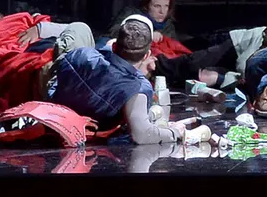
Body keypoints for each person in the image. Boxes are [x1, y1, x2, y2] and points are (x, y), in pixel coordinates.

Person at [43, 12, 201, 145]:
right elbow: (142, 134)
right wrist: (174, 132)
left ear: (114, 45)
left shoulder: (84, 54)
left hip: (52, 96)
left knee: (79, 28)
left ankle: (41, 28)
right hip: (84, 122)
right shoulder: (138, 88)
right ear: (146, 55)